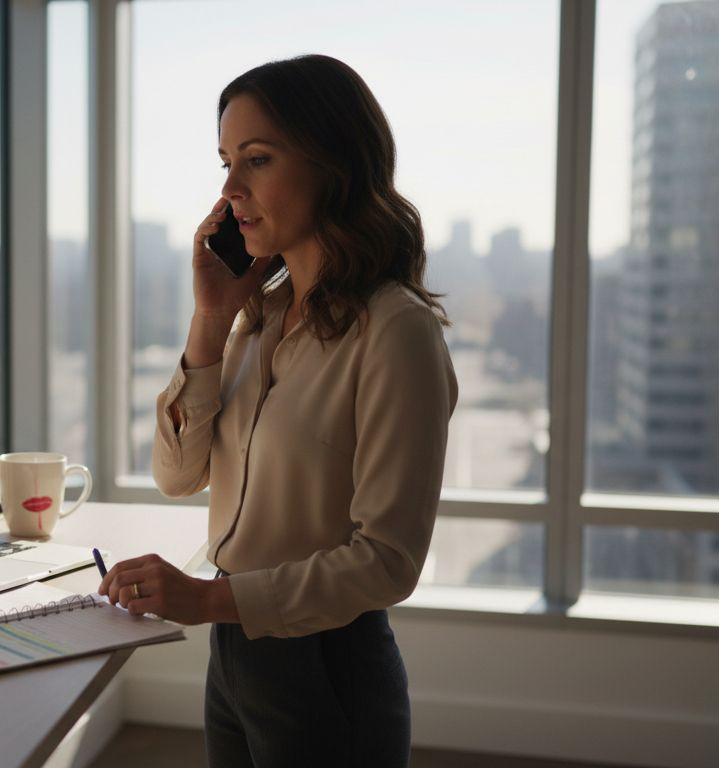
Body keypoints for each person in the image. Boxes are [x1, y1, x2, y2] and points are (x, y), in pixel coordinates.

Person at [97, 54, 458, 767]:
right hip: (236, 651)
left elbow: (387, 561)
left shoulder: (395, 329)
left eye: (256, 160)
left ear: (335, 164)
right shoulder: (258, 318)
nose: (231, 190)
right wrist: (210, 318)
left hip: (325, 665)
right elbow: (178, 474)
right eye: (226, 162)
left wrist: (204, 602)